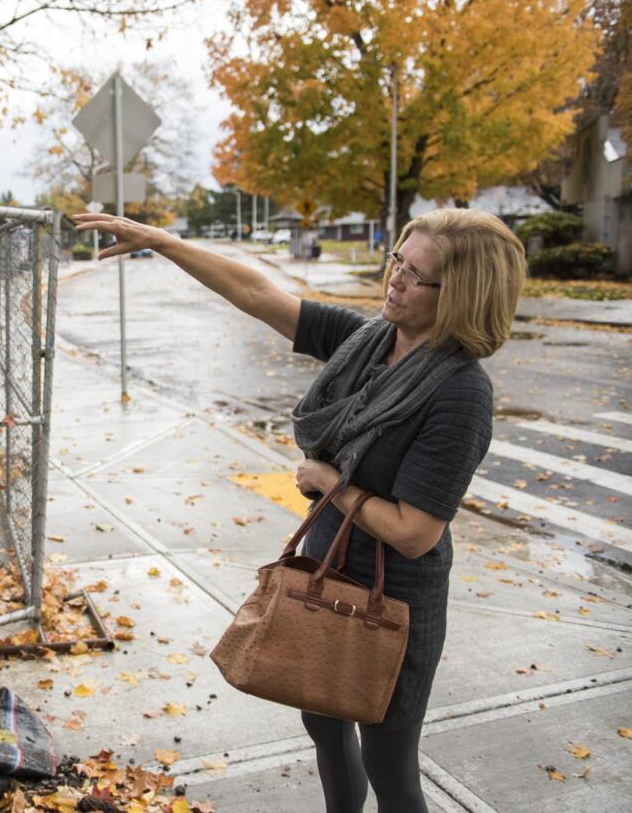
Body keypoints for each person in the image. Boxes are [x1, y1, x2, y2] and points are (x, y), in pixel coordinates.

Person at [71, 208, 525, 813]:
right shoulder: (368, 343)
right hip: (325, 570)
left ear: (462, 295)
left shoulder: (460, 392)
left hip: (394, 601)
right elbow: (257, 293)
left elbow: (414, 533)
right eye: (398, 261)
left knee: (391, 765)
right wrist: (161, 242)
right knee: (325, 728)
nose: (395, 280)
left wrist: (331, 482)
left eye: (418, 277)